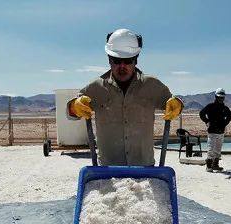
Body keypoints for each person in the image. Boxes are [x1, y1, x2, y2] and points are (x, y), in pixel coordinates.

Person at [67, 28, 183, 166]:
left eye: (127, 61)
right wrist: (74, 106)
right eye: (117, 60)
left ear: (136, 60)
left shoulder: (152, 85)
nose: (122, 66)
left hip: (144, 169)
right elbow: (70, 113)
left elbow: (173, 104)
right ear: (109, 60)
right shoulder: (96, 87)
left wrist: (178, 105)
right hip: (107, 171)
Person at [199, 88, 231, 172]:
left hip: (221, 132)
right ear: (216, 97)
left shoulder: (225, 108)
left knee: (218, 149)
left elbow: (229, 117)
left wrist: (224, 124)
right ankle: (209, 166)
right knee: (211, 149)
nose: (221, 99)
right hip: (212, 131)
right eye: (219, 97)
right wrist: (207, 121)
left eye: (222, 97)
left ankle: (215, 165)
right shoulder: (210, 106)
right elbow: (202, 113)